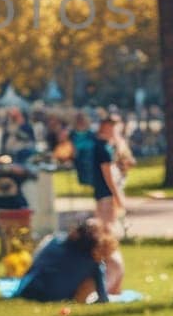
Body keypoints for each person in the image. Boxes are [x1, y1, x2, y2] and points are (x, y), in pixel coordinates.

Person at [15, 218, 118, 303]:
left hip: (27, 289)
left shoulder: (54, 241)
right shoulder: (93, 262)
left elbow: (35, 264)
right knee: (90, 280)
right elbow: (103, 297)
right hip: (54, 297)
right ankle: (80, 302)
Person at [87, 116, 126, 294]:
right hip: (106, 195)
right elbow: (107, 175)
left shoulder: (101, 146)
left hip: (102, 194)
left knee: (105, 233)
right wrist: (117, 196)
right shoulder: (102, 148)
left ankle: (108, 276)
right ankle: (110, 276)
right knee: (107, 234)